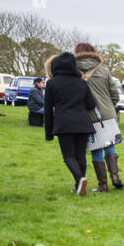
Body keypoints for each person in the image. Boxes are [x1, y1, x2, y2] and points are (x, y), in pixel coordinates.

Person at [44, 52, 98, 195]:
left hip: (64, 123)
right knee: (80, 154)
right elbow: (91, 104)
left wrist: (48, 133)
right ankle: (78, 185)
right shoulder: (81, 82)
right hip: (83, 123)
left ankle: (80, 179)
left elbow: (48, 110)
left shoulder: (52, 83)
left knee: (68, 155)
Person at [74, 42, 124, 192]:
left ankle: (103, 184)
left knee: (96, 148)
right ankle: (115, 177)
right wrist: (109, 105)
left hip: (89, 114)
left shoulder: (74, 70)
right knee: (110, 144)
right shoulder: (103, 70)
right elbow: (115, 94)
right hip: (108, 113)